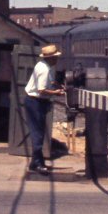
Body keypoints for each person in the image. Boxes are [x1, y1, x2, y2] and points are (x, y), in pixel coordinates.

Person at [24, 44, 65, 174]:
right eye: (55, 57)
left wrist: (56, 85)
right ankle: (37, 164)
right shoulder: (45, 69)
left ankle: (36, 163)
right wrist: (56, 93)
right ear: (50, 58)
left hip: (33, 101)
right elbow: (41, 90)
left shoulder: (42, 65)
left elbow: (48, 82)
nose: (57, 60)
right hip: (36, 102)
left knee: (38, 132)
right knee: (38, 134)